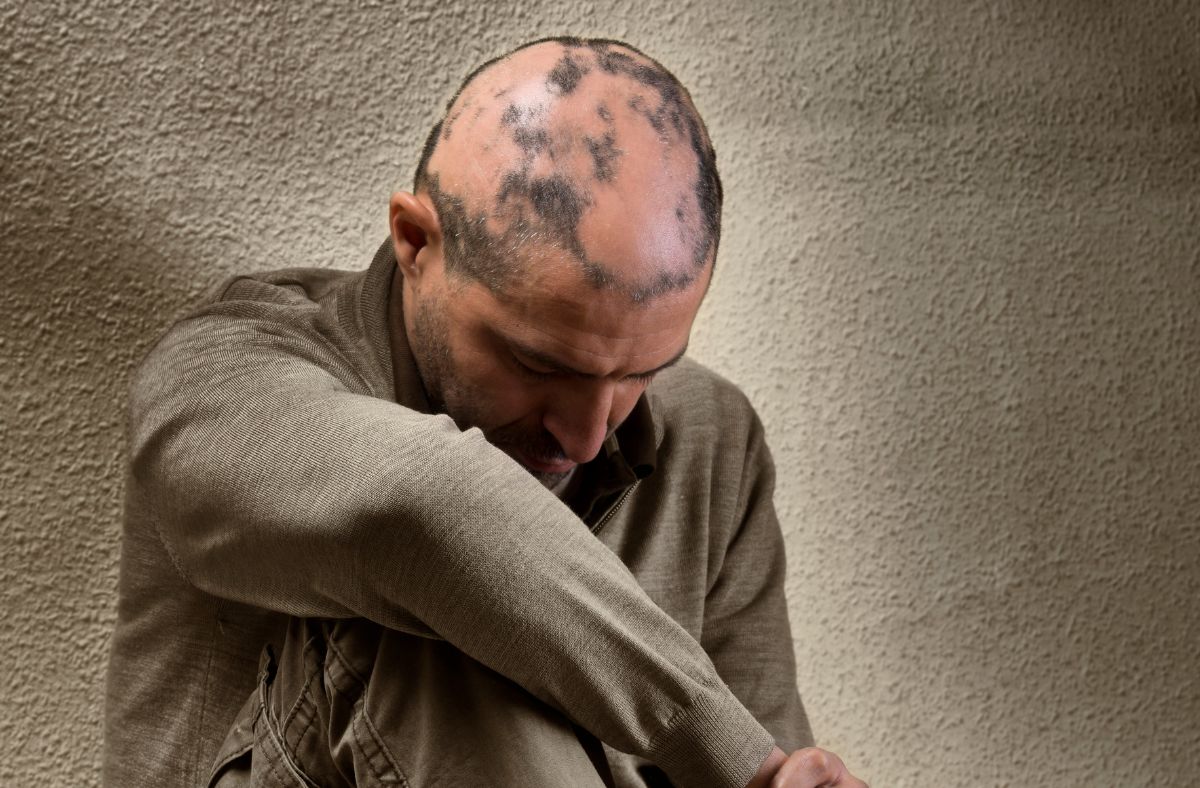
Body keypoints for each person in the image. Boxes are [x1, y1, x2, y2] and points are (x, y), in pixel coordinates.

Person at [104, 37, 866, 788]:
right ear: (415, 241)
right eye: (538, 364)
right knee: (453, 618)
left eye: (642, 372)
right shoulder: (222, 379)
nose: (588, 434)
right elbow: (420, 511)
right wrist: (730, 750)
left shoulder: (711, 437)